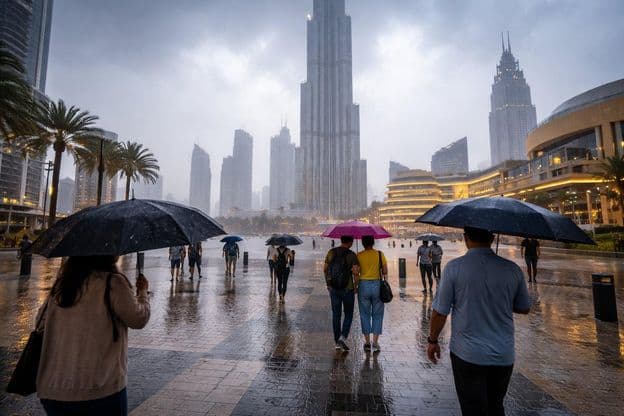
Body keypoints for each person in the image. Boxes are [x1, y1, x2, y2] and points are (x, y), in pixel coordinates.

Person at [427, 227, 531, 416]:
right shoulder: (512, 269)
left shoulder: (454, 268)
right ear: (492, 238)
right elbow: (524, 307)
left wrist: (432, 340)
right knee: (496, 407)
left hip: (467, 354)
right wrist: (500, 299)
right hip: (503, 355)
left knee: (472, 409)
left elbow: (440, 312)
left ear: (465, 238)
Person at [36, 256, 150, 416]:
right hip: (99, 389)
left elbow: (40, 323)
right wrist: (143, 292)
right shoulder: (113, 283)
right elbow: (138, 318)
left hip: (55, 389)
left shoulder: (62, 284)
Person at [324, 235, 360, 352]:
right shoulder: (352, 255)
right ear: (350, 242)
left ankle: (337, 341)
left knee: (336, 314)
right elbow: (355, 273)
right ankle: (343, 337)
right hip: (347, 288)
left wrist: (328, 284)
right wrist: (356, 286)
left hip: (333, 288)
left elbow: (325, 268)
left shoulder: (331, 252)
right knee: (348, 314)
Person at [356, 235, 388, 353]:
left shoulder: (359, 255)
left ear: (363, 243)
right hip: (377, 286)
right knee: (378, 314)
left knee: (364, 314)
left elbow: (356, 272)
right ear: (373, 242)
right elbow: (384, 271)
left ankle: (367, 342)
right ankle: (375, 343)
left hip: (363, 286)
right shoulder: (380, 254)